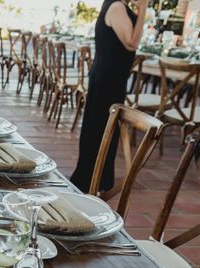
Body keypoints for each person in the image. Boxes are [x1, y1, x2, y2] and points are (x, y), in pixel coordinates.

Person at [70, 0, 147, 193]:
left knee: (105, 131)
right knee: (100, 131)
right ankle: (88, 182)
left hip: (110, 78)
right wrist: (143, 8)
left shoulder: (117, 5)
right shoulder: (117, 7)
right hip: (107, 80)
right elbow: (131, 43)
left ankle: (98, 181)